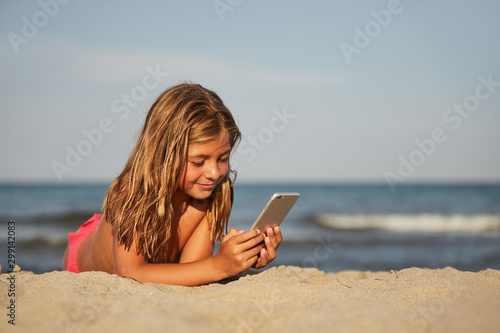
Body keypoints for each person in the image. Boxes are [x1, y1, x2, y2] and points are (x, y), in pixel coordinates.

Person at [62, 83, 282, 286]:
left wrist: (240, 260)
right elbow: (129, 273)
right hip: (83, 262)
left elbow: (193, 271)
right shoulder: (132, 190)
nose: (214, 173)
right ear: (163, 155)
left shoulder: (211, 194)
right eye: (198, 161)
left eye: (222, 158)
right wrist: (220, 266)